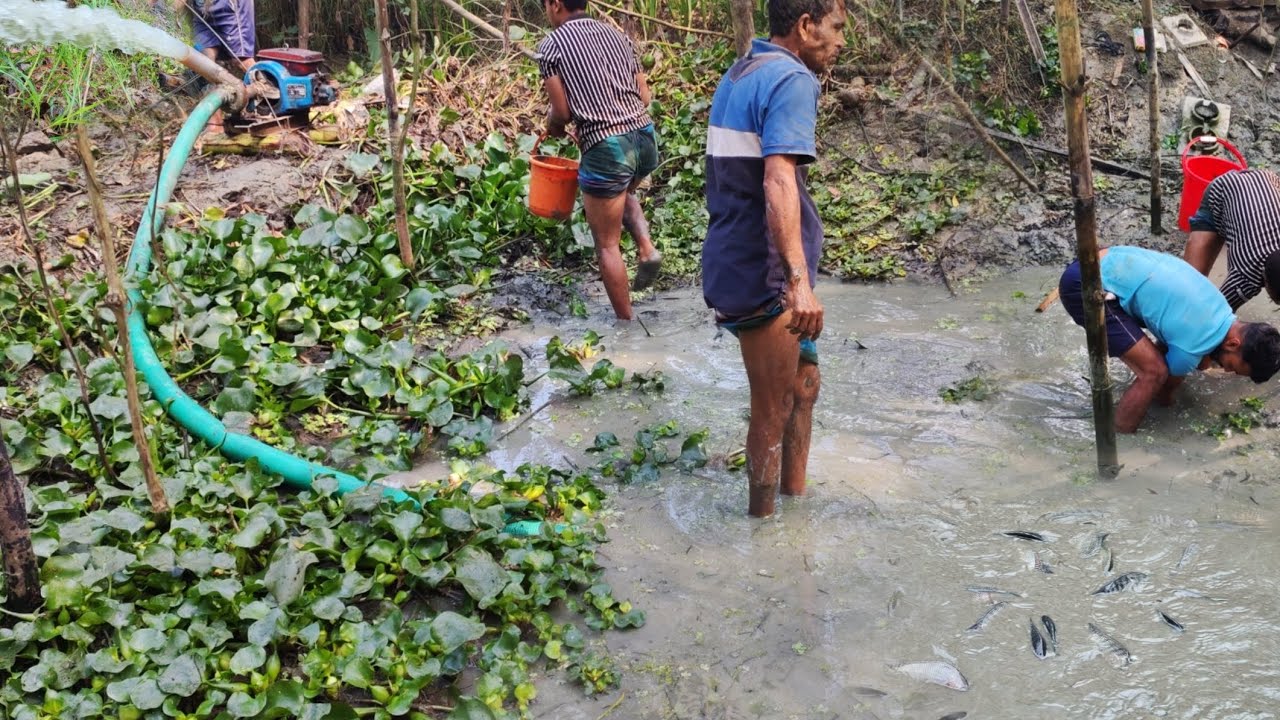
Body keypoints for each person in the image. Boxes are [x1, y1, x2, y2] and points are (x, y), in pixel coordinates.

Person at [702, 0, 846, 517]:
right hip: (764, 270)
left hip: (744, 258)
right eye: (835, 28)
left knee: (804, 386)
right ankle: (764, 529)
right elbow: (778, 179)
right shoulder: (792, 79)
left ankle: (796, 504)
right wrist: (799, 280)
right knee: (774, 404)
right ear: (805, 28)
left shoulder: (745, 70)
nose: (840, 41)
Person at [1059, 246, 1280, 433]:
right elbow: (1163, 392)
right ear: (1233, 344)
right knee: (1154, 373)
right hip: (1086, 284)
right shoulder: (1193, 348)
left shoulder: (1220, 308)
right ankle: (1120, 435)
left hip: (1105, 258)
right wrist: (1171, 412)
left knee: (1155, 363)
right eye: (1231, 366)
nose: (1226, 369)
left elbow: (1177, 346)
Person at [536, 0, 663, 321]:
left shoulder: (551, 47)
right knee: (622, 192)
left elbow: (561, 113)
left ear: (554, 5)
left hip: (608, 147)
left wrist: (553, 126)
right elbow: (644, 97)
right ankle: (647, 247)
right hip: (645, 138)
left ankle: (626, 325)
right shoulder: (618, 35)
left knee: (607, 245)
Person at [1183, 168, 1280, 310]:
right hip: (1223, 189)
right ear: (1265, 282)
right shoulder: (1245, 278)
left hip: (1267, 177)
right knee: (1189, 288)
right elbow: (1215, 314)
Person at [182, 0, 257, 134]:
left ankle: (275, 100)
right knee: (206, 64)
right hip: (201, 7)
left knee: (241, 60)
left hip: (229, 4)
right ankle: (215, 125)